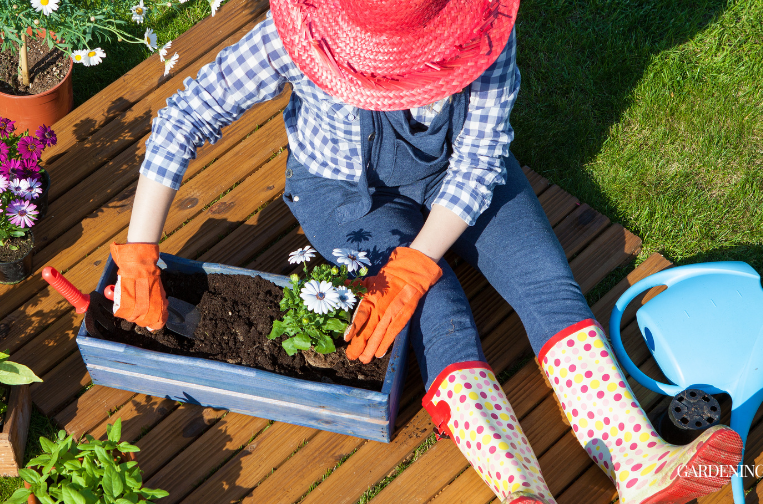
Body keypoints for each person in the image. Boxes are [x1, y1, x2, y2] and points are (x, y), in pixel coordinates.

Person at [107, 0, 744, 502]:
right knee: (439, 309)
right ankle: (521, 488)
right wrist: (141, 248)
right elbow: (187, 115)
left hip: (459, 178)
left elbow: (479, 158)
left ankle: (639, 461)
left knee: (547, 281)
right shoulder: (302, 32)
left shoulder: (480, 33)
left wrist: (416, 261)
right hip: (344, 199)